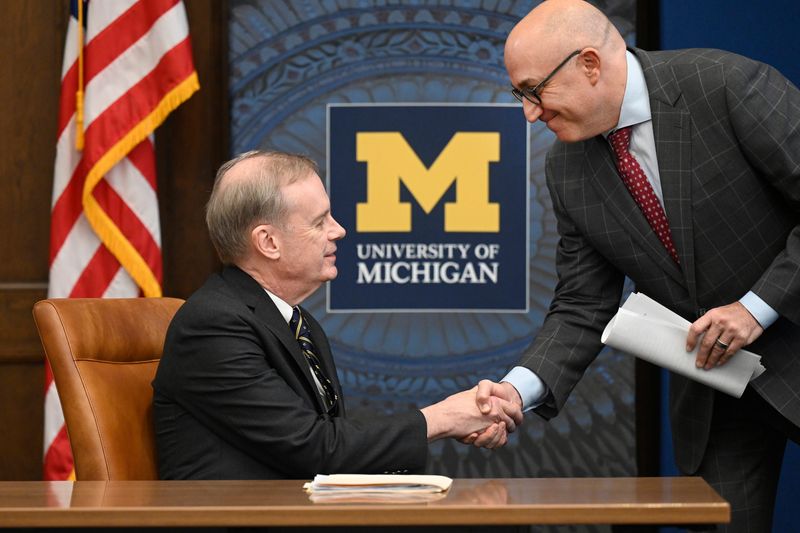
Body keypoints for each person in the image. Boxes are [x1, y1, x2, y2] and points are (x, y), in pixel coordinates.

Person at [471, 0, 800, 530]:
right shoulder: (566, 167)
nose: (530, 112)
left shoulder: (725, 83)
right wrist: (514, 392)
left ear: (589, 64)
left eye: (535, 90)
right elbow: (582, 305)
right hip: (721, 391)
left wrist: (754, 309)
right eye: (520, 95)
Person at [152, 150, 521, 480]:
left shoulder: (296, 322)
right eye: (319, 222)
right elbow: (312, 447)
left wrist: (459, 417)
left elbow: (327, 444)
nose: (339, 230)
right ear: (268, 242)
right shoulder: (213, 326)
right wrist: (444, 418)